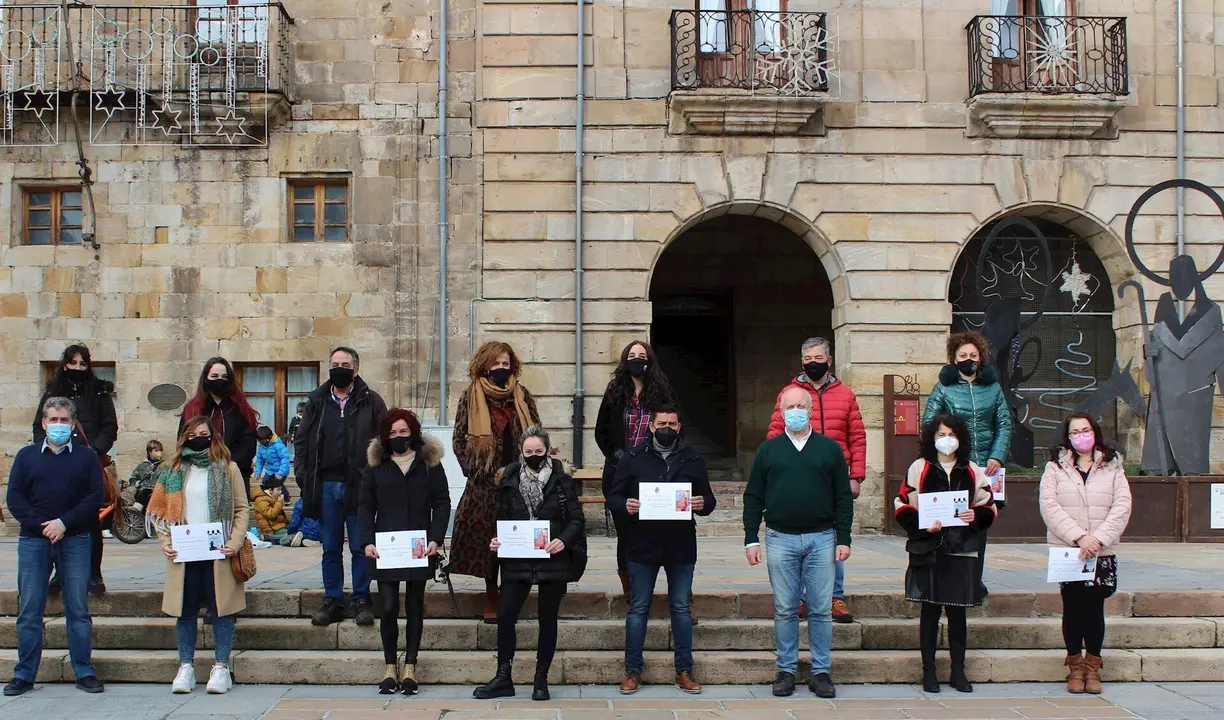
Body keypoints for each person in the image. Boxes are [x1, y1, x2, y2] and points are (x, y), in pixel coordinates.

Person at [744, 387, 853, 699]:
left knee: (820, 608)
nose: (794, 410)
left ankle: (821, 671)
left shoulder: (829, 450)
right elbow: (753, 497)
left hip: (822, 538)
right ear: (780, 411)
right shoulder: (768, 451)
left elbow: (843, 498)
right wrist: (751, 538)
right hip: (780, 538)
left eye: (799, 405)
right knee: (784, 608)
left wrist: (843, 538)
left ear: (810, 410)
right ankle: (786, 670)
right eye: (788, 406)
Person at [607, 406, 715, 696]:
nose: (667, 427)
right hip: (643, 544)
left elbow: (709, 500)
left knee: (680, 607)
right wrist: (625, 505)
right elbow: (614, 496)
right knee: (638, 607)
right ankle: (632, 671)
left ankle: (683, 670)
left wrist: (701, 504)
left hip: (680, 545)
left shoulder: (692, 458)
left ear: (679, 426)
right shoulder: (632, 458)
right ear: (651, 426)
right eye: (661, 423)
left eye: (672, 423)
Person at [475, 425, 585, 701]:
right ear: (521, 452)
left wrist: (564, 540)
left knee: (548, 620)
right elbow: (500, 518)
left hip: (552, 560)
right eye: (529, 451)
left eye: (539, 451)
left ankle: (541, 679)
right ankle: (503, 677)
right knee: (505, 616)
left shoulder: (561, 479)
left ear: (547, 450)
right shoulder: (508, 479)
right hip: (517, 559)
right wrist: (498, 540)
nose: (534, 455)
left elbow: (576, 519)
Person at [5, 397, 105, 697]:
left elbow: (93, 497)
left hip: (74, 539)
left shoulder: (87, 457)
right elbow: (15, 498)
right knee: (29, 611)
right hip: (34, 542)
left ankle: (84, 672)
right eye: (53, 420)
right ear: (44, 423)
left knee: (78, 610)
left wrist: (63, 523)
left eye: (64, 420)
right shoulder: (26, 456)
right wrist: (43, 526)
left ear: (73, 424)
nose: (59, 425)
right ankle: (24, 674)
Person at [894, 414, 997, 694]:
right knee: (929, 612)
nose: (946, 440)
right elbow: (902, 505)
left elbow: (989, 506)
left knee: (957, 614)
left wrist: (974, 515)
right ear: (932, 438)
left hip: (961, 549)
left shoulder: (973, 470)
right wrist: (922, 524)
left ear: (961, 438)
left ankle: (958, 671)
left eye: (951, 434)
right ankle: (929, 672)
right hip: (929, 549)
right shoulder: (919, 468)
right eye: (940, 435)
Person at [766, 337, 866, 624]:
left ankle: (835, 597)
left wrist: (856, 475)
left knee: (834, 537)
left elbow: (857, 437)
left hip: (835, 476)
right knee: (797, 534)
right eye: (808, 358)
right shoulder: (790, 394)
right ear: (801, 362)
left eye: (818, 357)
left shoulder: (845, 395)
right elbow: (774, 433)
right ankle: (797, 597)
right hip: (798, 476)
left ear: (829, 360)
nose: (813, 363)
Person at [147, 416, 249, 695]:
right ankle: (186, 666)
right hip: (185, 549)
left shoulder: (228, 469)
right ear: (184, 438)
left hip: (219, 551)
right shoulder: (173, 469)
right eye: (193, 434)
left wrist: (235, 541)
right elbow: (161, 511)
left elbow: (241, 509)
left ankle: (221, 667)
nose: (198, 438)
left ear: (213, 436)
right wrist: (165, 541)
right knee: (185, 609)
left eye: (204, 433)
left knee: (222, 610)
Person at [358, 409, 451, 696]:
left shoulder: (429, 465)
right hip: (386, 548)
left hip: (419, 548)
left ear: (413, 432)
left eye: (403, 431)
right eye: (393, 433)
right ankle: (389, 666)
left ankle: (410, 665)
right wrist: (366, 541)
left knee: (413, 606)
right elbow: (364, 507)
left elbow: (442, 502)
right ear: (385, 437)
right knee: (387, 607)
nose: (399, 437)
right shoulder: (376, 468)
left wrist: (437, 538)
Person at [449, 341, 542, 623]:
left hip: (518, 478)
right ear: (484, 365)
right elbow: (459, 439)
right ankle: (491, 591)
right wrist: (475, 470)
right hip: (484, 481)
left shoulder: (522, 395)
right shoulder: (471, 396)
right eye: (495, 363)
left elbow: (536, 431)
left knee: (517, 537)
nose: (501, 368)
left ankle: (510, 589)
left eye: (505, 363)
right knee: (486, 540)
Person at [1039, 413, 1132, 695]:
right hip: (1069, 551)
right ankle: (1075, 668)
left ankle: (1093, 667)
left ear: (1095, 432)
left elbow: (1122, 505)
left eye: (1086, 430)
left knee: (1094, 610)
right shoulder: (1055, 467)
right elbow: (1049, 506)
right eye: (1075, 431)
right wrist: (1079, 537)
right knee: (1072, 609)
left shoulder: (1113, 466)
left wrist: (1098, 539)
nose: (1081, 435)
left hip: (1100, 552)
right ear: (1067, 437)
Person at [295, 346, 388, 627]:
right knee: (330, 547)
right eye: (335, 363)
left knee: (361, 547)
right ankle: (332, 599)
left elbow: (383, 441)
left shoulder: (371, 401)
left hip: (359, 486)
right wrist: (303, 475)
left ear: (356, 369)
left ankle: (362, 599)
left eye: (345, 364)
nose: (339, 367)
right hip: (325, 485)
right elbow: (302, 442)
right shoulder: (317, 401)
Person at [922, 331, 1011, 597]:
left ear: (981, 357)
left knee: (980, 522)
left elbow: (1004, 423)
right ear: (954, 358)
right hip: (954, 465)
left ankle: (975, 580)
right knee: (953, 520)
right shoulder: (944, 388)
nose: (968, 360)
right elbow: (929, 423)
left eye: (973, 355)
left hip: (987, 467)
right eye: (963, 356)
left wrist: (996, 455)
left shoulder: (992, 388)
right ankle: (949, 577)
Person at [594, 340, 678, 601]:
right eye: (632, 355)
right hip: (621, 472)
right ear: (624, 360)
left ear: (650, 360)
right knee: (626, 533)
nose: (637, 359)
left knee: (661, 533)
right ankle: (631, 592)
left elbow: (674, 427)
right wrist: (620, 457)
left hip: (654, 473)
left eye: (642, 355)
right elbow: (602, 432)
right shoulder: (614, 393)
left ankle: (678, 592)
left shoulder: (662, 392)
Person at [33, 344, 117, 598]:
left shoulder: (100, 391)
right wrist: (45, 452)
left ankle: (94, 573)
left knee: (91, 519)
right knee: (59, 517)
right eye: (73, 363)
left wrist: (95, 451)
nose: (78, 368)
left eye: (83, 364)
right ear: (65, 364)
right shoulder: (53, 391)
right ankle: (60, 572)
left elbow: (109, 426)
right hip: (58, 462)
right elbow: (39, 426)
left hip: (88, 461)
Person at [179, 357, 259, 501]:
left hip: (233, 476)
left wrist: (226, 466)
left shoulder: (240, 410)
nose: (219, 380)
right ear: (206, 378)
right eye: (214, 376)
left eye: (224, 377)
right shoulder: (193, 409)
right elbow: (183, 441)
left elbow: (248, 445)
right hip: (198, 478)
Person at [124, 439, 164, 511]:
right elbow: (132, 478)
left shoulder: (164, 466)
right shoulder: (142, 466)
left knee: (147, 492)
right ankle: (135, 513)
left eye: (160, 450)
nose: (159, 453)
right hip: (141, 493)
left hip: (156, 493)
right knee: (144, 493)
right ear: (150, 452)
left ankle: (135, 511)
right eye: (156, 450)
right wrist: (136, 483)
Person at [252, 476, 290, 544]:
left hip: (279, 527)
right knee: (289, 535)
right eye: (278, 490)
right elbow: (271, 515)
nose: (280, 492)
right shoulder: (261, 500)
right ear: (270, 490)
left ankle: (285, 539)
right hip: (272, 530)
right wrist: (279, 502)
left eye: (281, 489)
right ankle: (269, 538)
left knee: (292, 532)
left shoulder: (272, 497)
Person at [254, 425, 290, 490]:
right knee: (265, 483)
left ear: (270, 437)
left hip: (280, 470)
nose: (263, 443)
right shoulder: (261, 447)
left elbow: (285, 459)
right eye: (261, 441)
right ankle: (269, 497)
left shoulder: (278, 445)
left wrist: (281, 472)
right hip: (270, 470)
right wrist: (258, 472)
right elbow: (260, 461)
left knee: (277, 486)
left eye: (265, 441)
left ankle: (286, 498)